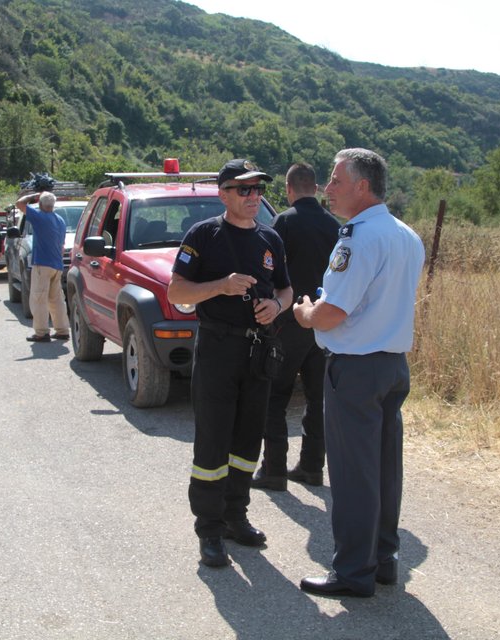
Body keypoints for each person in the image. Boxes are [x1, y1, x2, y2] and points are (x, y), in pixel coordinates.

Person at [294, 148, 425, 598]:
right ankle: (383, 559)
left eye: (335, 180)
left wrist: (305, 313)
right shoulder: (406, 234)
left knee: (352, 474)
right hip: (391, 365)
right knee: (384, 469)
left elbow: (332, 313)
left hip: (356, 368)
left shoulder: (358, 237)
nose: (327, 189)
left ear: (362, 187)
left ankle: (353, 572)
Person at [167, 159, 293, 568]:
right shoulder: (204, 235)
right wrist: (221, 286)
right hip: (219, 349)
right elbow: (176, 291)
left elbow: (288, 289)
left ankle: (236, 516)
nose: (254, 196)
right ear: (223, 194)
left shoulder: (270, 238)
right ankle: (209, 529)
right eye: (244, 190)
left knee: (246, 442)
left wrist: (276, 305)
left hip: (258, 353)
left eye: (257, 189)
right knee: (213, 441)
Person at [251, 162, 340, 492]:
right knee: (318, 399)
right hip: (324, 324)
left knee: (275, 397)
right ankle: (312, 467)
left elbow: (266, 272)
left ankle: (274, 470)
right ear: (315, 189)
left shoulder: (282, 223)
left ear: (289, 190)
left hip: (286, 325)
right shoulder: (336, 227)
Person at [14, 191, 69, 342]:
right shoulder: (60, 220)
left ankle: (41, 332)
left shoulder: (39, 217)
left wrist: (33, 195)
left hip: (42, 264)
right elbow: (62, 245)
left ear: (40, 204)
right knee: (57, 299)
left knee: (39, 298)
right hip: (57, 264)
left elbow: (19, 203)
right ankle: (62, 329)